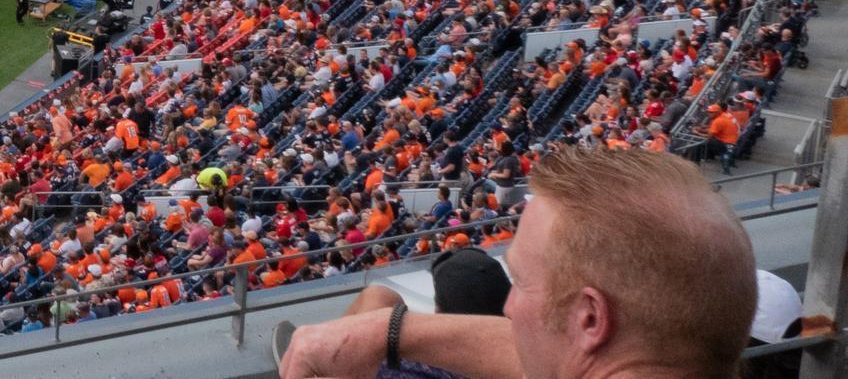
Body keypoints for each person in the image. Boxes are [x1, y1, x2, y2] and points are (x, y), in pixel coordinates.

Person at [276, 146, 756, 379]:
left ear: (589, 318)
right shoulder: (675, 355)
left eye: (521, 282)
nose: (506, 308)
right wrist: (391, 331)